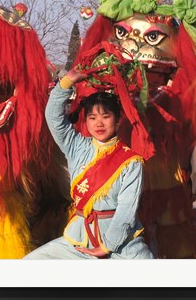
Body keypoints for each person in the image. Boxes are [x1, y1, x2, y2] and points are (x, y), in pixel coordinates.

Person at [23, 69, 154, 259]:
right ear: (86, 121)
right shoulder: (76, 146)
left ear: (117, 121)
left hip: (121, 243)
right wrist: (67, 82)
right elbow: (53, 117)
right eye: (92, 118)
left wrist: (107, 246)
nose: (98, 123)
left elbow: (127, 210)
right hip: (79, 237)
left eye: (105, 116)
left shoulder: (131, 162)